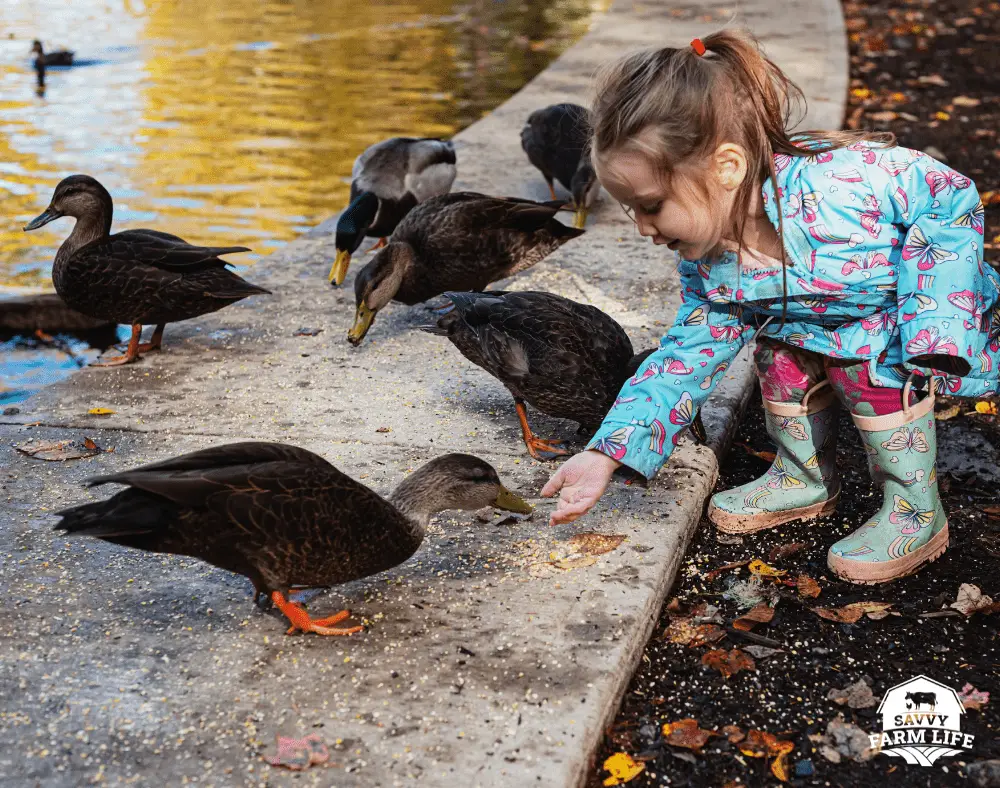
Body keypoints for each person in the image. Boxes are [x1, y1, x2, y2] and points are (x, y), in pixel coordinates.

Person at [541, 29, 999, 584]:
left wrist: (938, 326)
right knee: (777, 360)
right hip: (812, 328)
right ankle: (803, 477)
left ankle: (914, 509)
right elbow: (683, 358)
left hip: (893, 319)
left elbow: (950, 198)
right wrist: (606, 454)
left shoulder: (847, 186)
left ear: (726, 168)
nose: (641, 230)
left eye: (650, 206)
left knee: (872, 372)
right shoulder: (711, 263)